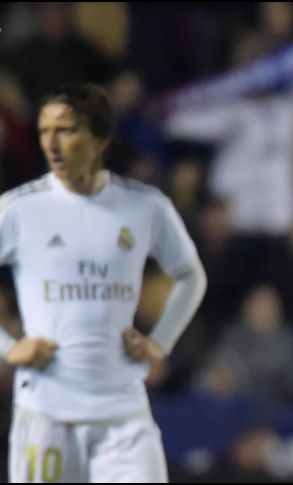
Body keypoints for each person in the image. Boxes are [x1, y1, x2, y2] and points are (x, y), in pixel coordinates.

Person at [0, 84, 207, 482]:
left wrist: (160, 341)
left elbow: (190, 275)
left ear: (100, 139)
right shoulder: (21, 209)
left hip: (124, 415)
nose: (52, 144)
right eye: (45, 131)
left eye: (67, 130)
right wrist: (10, 347)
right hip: (46, 414)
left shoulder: (145, 206)